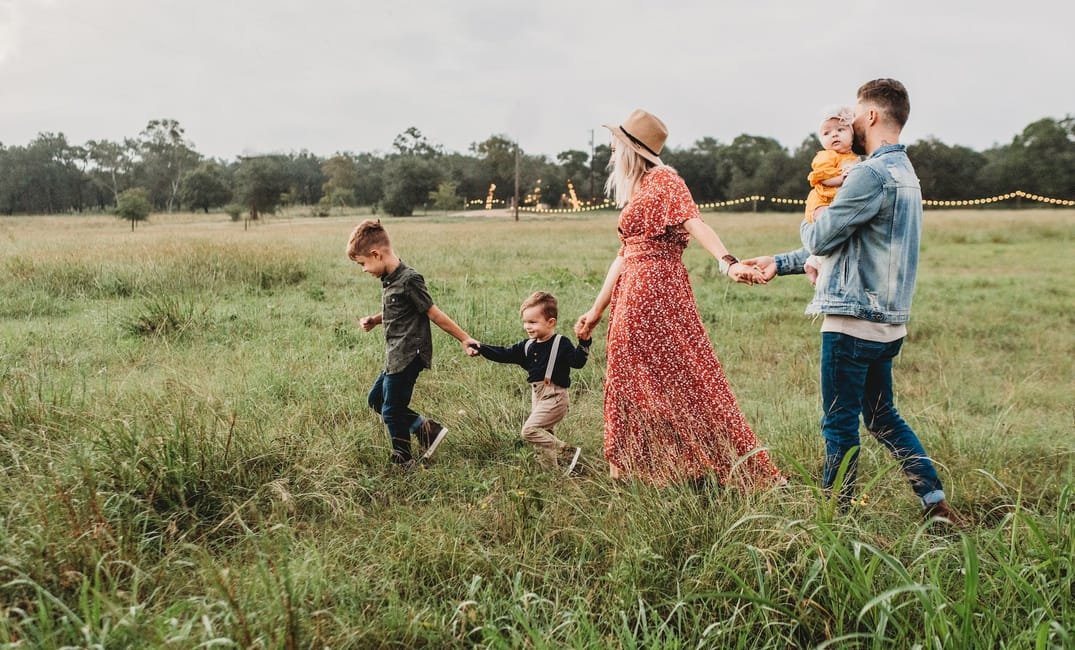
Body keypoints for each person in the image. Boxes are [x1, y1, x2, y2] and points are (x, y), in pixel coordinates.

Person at [742, 79, 964, 524]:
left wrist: (814, 216)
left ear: (874, 116)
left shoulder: (868, 174)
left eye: (857, 115)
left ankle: (835, 519)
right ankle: (934, 502)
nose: (851, 123)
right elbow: (852, 245)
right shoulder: (906, 175)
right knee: (883, 418)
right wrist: (780, 262)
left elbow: (823, 235)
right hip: (888, 324)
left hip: (851, 323)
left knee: (839, 424)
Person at [574, 108, 782, 487]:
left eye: (615, 146)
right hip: (632, 290)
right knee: (633, 378)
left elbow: (695, 222)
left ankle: (687, 465)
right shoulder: (639, 189)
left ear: (632, 150)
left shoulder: (665, 181)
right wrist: (596, 309)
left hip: (654, 290)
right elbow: (623, 254)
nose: (611, 153)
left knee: (678, 377)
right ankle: (638, 468)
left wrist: (728, 262)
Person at [347, 219, 480, 468]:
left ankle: (403, 460)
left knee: (391, 410)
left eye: (363, 263)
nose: (364, 269)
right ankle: (427, 430)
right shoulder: (389, 279)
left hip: (409, 355)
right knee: (376, 400)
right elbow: (397, 310)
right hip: (394, 355)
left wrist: (465, 338)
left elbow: (433, 313)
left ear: (376, 254)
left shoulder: (409, 279)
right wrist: (375, 320)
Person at [471, 291, 590, 475]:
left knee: (530, 431)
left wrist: (584, 342)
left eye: (533, 322)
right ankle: (552, 475)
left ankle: (567, 451)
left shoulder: (561, 343)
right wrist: (481, 348)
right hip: (537, 396)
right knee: (543, 438)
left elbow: (578, 362)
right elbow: (504, 354)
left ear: (551, 322)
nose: (527, 326)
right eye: (525, 322)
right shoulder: (527, 346)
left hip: (556, 396)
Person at [803, 106, 860, 285]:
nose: (834, 135)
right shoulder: (826, 156)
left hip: (834, 201)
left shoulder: (854, 157)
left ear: (852, 135)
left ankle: (813, 261)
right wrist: (841, 178)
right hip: (821, 201)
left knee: (837, 231)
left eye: (840, 130)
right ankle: (817, 264)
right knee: (829, 227)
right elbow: (822, 178)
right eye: (827, 133)